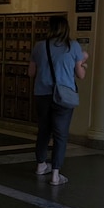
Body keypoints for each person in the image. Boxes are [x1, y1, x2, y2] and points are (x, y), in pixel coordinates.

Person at [28, 15, 88, 186]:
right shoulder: (73, 45)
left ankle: (41, 165)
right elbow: (81, 75)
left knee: (44, 131)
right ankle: (55, 174)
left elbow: (31, 73)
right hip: (63, 95)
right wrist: (83, 63)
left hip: (42, 94)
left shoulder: (39, 46)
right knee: (60, 135)